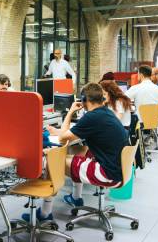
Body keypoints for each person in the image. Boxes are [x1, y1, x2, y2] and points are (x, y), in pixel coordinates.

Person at [24, 83, 128, 221]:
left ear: (84, 100)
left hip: (107, 174)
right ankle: (76, 198)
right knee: (77, 150)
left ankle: (44, 213)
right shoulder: (106, 112)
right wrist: (61, 132)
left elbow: (62, 138)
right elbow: (67, 135)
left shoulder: (91, 117)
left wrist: (71, 111)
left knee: (52, 161)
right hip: (119, 169)